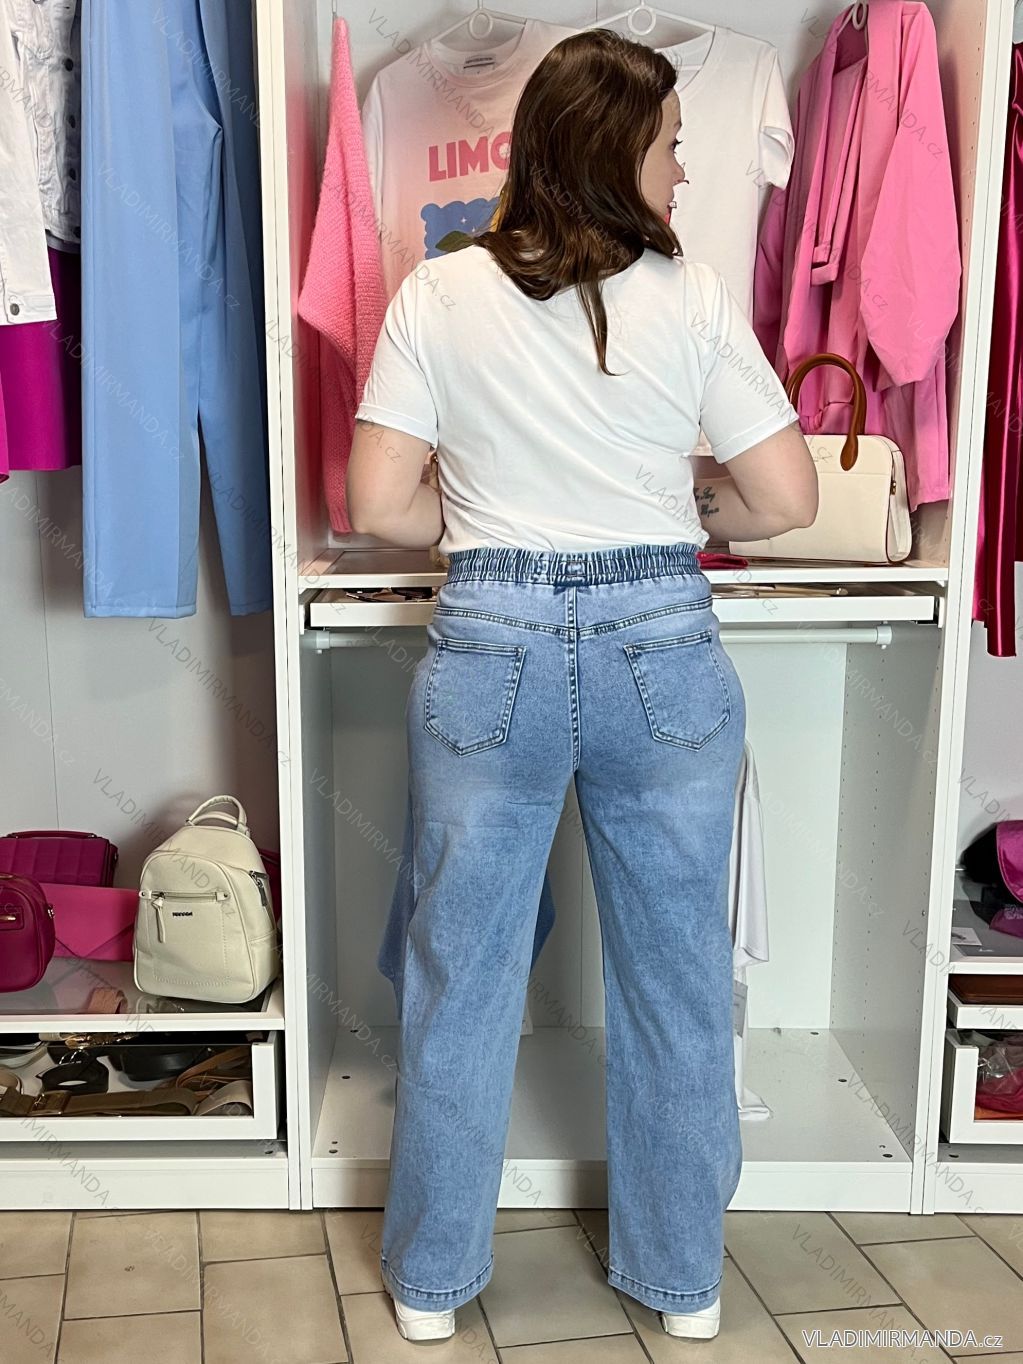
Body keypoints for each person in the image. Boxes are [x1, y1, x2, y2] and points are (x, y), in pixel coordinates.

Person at [346, 28, 817, 1346]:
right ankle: (684, 1284)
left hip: (489, 639)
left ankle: (432, 1286)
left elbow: (377, 503)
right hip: (658, 641)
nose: (684, 168)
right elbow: (788, 497)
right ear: (616, 154)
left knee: (461, 974)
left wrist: (483, 520)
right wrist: (684, 500)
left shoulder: (439, 293)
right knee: (676, 980)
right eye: (673, 145)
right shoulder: (694, 296)